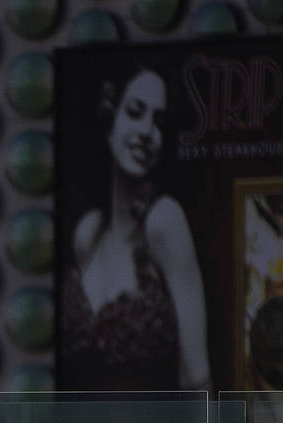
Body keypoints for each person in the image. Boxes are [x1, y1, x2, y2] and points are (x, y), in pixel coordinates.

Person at [61, 63, 211, 391]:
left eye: (158, 121)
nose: (146, 131)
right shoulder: (87, 233)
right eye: (134, 112)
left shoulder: (165, 222)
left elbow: (197, 379)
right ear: (109, 123)